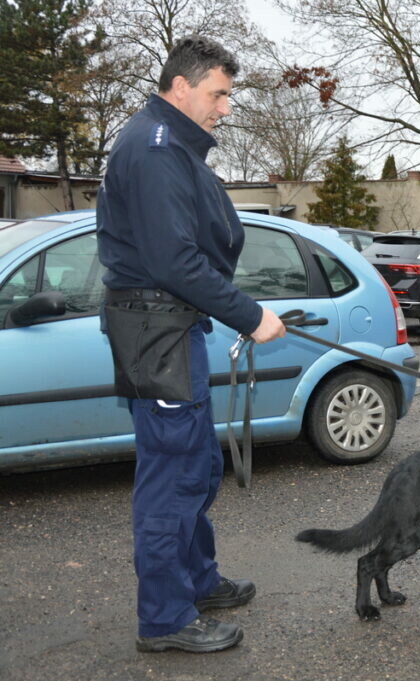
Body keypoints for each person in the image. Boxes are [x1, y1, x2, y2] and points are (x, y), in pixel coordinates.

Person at [96, 36, 286, 653]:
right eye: (218, 94)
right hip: (158, 331)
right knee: (173, 478)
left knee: (197, 465)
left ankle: (198, 582)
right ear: (181, 87)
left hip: (173, 326)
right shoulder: (155, 149)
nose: (225, 108)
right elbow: (172, 261)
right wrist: (250, 315)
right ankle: (165, 619)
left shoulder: (170, 144)